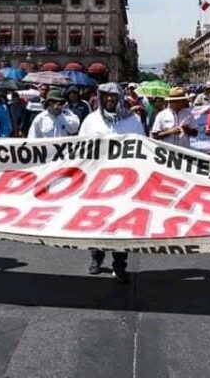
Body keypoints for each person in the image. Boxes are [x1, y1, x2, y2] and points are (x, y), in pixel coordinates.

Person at [78, 83, 144, 283]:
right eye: (106, 96)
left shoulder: (132, 121)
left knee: (121, 226)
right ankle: (96, 259)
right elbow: (80, 148)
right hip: (97, 182)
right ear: (100, 97)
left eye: (113, 97)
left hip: (125, 182)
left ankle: (119, 264)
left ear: (119, 99)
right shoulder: (91, 120)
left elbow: (142, 147)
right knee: (97, 223)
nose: (109, 100)